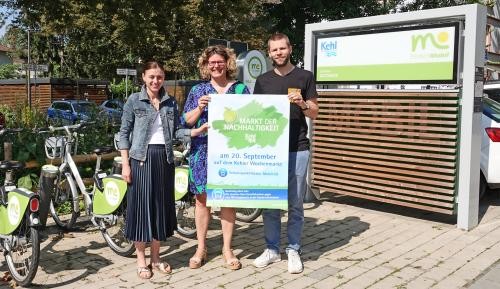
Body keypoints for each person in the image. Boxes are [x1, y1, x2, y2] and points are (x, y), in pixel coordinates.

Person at [118, 60, 207, 279]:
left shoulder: (170, 102)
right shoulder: (134, 100)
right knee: (141, 210)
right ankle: (141, 260)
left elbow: (177, 132)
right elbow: (123, 134)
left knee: (159, 209)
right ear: (144, 78)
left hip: (164, 161)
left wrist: (196, 132)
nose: (156, 81)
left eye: (159, 77)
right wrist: (126, 164)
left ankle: (156, 258)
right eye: (152, 77)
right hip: (141, 160)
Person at [252, 33, 319, 274]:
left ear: (290, 49)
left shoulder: (305, 77)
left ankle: (293, 249)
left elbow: (314, 113)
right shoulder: (262, 81)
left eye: (282, 48)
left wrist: (302, 103)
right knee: (270, 202)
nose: (278, 53)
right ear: (269, 53)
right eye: (274, 50)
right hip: (270, 151)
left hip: (297, 148)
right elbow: (255, 114)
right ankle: (271, 249)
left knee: (295, 203)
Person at [182, 45, 250, 270]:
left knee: (228, 198)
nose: (216, 65)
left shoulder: (240, 89)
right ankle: (201, 247)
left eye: (220, 61)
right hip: (202, 152)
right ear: (205, 65)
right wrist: (200, 109)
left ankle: (227, 248)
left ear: (227, 63)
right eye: (211, 62)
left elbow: (250, 118)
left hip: (230, 152)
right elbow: (187, 122)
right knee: (202, 200)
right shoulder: (197, 91)